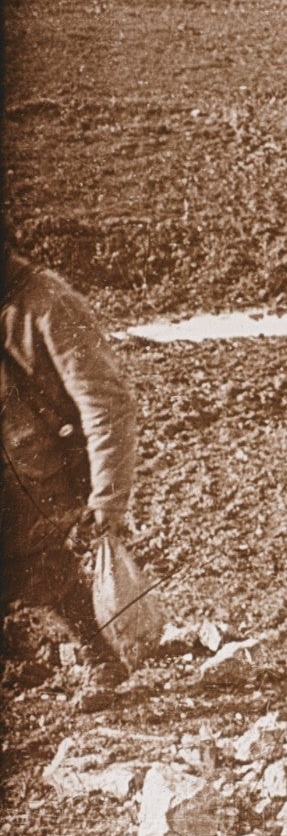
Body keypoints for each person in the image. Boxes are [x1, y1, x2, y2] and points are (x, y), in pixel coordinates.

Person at [2, 246, 140, 708]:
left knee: (32, 561)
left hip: (59, 473)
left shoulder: (46, 304)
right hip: (16, 469)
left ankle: (100, 653)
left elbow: (105, 402)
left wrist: (108, 498)